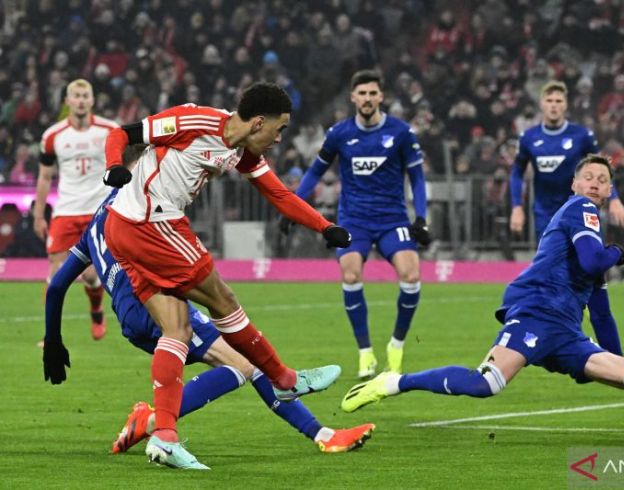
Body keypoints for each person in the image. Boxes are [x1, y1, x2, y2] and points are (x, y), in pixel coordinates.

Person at [341, 155, 624, 445]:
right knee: (486, 384)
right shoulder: (581, 211)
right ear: (575, 186)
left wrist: (616, 368)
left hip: (565, 331)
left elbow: (601, 312)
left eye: (603, 180)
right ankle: (393, 382)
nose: (595, 183)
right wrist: (619, 253)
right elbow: (599, 260)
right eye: (588, 177)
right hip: (537, 312)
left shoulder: (590, 233)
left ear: (611, 190)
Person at [43, 160, 374, 463]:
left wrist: (53, 341)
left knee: (242, 362)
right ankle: (155, 424)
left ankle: (320, 433)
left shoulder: (94, 227)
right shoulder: (136, 208)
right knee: (246, 363)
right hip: (154, 301)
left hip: (130, 317)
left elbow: (57, 286)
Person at [96, 82, 351, 469]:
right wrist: (115, 165)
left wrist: (324, 226)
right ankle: (284, 379)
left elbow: (279, 195)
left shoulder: (241, 151)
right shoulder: (194, 121)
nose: (280, 139)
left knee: (176, 330)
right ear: (259, 123)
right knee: (223, 299)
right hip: (151, 224)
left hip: (125, 228)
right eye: (279, 129)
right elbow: (122, 134)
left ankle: (164, 437)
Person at [280, 70, 430, 380]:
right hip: (354, 220)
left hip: (392, 219)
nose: (367, 99)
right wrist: (293, 206)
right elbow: (314, 172)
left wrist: (421, 218)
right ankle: (365, 353)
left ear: (381, 96)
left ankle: (397, 345)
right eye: (361, 93)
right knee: (350, 272)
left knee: (412, 274)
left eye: (373, 93)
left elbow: (416, 176)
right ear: (353, 97)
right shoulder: (339, 133)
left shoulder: (401, 132)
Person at [510, 81, 624, 360]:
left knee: (592, 276)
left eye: (559, 101)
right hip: (548, 218)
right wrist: (516, 206)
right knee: (572, 277)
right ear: (542, 104)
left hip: (582, 215)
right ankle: (567, 338)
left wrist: (614, 199)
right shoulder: (529, 138)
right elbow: (516, 173)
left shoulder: (581, 136)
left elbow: (601, 171)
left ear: (566, 105)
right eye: (549, 100)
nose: (554, 105)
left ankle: (611, 359)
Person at [34, 79, 118, 341]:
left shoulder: (110, 130)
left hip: (98, 209)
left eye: (85, 96)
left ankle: (96, 309)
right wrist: (39, 215)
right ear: (68, 101)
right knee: (55, 270)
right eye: (76, 96)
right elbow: (45, 177)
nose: (81, 100)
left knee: (91, 275)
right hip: (66, 210)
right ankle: (51, 335)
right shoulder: (52, 137)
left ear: (92, 100)